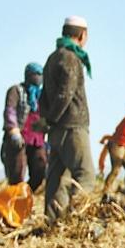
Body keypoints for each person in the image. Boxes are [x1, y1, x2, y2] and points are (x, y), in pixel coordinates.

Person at [38, 16, 95, 220]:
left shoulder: (52, 58)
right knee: (86, 176)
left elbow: (43, 95)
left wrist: (46, 120)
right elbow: (66, 93)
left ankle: (53, 222)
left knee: (57, 179)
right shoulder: (71, 57)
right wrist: (52, 119)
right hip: (72, 126)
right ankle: (75, 219)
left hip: (56, 129)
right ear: (82, 35)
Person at [2, 62, 48, 191]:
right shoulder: (16, 90)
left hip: (37, 139)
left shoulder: (42, 95)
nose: (38, 77)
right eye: (35, 74)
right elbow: (10, 111)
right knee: (17, 172)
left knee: (41, 169)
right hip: (19, 137)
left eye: (40, 74)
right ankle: (15, 200)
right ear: (28, 75)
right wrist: (13, 131)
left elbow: (46, 117)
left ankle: (26, 195)